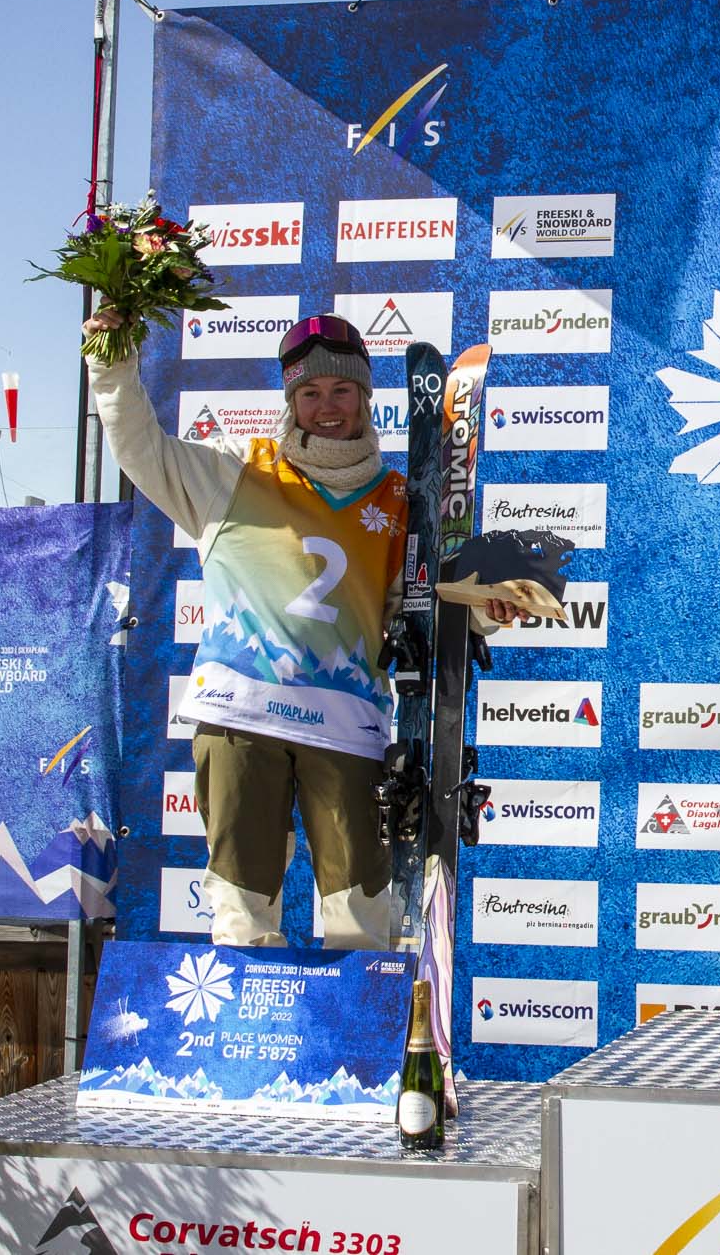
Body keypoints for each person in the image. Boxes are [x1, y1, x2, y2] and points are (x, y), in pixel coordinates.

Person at [82, 310, 514, 947]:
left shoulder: (400, 498)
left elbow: (421, 605)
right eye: (309, 394)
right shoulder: (237, 470)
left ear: (367, 398)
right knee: (242, 919)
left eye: (342, 391)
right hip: (239, 719)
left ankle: (359, 1044)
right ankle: (247, 1044)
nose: (327, 407)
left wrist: (487, 610)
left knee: (361, 921)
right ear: (291, 401)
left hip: (345, 728)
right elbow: (139, 446)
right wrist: (112, 358)